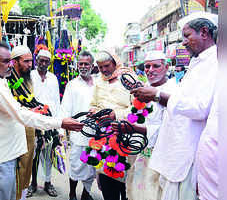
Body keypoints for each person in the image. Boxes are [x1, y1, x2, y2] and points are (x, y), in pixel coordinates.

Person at [0, 41, 84, 200]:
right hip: (1, 156)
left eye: (11, 61)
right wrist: (60, 123)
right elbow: (20, 114)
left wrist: (30, 111)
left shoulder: (0, 81)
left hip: (8, 153)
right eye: (6, 61)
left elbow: (15, 110)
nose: (11, 65)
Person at [130, 12, 218, 200]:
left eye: (187, 36)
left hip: (189, 155)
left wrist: (157, 95)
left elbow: (200, 108)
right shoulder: (199, 62)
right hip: (175, 153)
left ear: (204, 32)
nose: (184, 42)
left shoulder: (215, 62)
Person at [114, 51, 177, 200]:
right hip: (140, 152)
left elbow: (168, 128)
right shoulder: (144, 88)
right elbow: (134, 113)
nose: (150, 70)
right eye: (147, 66)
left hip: (161, 156)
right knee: (136, 190)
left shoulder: (173, 91)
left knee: (154, 192)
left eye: (156, 66)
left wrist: (134, 129)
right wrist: (117, 118)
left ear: (167, 67)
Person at [89, 50, 135, 200]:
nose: (103, 70)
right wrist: (93, 111)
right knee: (107, 179)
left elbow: (138, 108)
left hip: (125, 136)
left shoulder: (129, 78)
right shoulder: (99, 82)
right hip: (104, 138)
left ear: (115, 63)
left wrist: (116, 114)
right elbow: (94, 104)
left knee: (125, 181)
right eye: (100, 67)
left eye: (107, 66)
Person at [60, 51, 97, 200]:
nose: (82, 66)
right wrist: (61, 130)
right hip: (78, 133)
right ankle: (72, 193)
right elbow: (65, 108)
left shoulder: (98, 84)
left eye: (86, 64)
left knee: (92, 166)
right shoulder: (72, 85)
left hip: (96, 135)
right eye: (80, 63)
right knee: (76, 164)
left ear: (92, 66)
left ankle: (86, 194)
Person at [27, 49, 62, 197]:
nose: (43, 63)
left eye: (46, 61)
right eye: (40, 60)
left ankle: (48, 183)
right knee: (33, 154)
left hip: (50, 122)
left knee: (49, 154)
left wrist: (58, 126)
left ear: (49, 62)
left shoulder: (53, 78)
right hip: (34, 121)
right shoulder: (30, 75)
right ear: (36, 60)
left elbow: (56, 102)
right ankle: (33, 183)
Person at [9, 45, 37, 200]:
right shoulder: (7, 80)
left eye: (30, 61)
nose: (29, 65)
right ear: (14, 62)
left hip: (29, 130)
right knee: (14, 169)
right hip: (13, 132)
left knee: (27, 167)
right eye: (26, 61)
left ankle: (22, 196)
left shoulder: (29, 78)